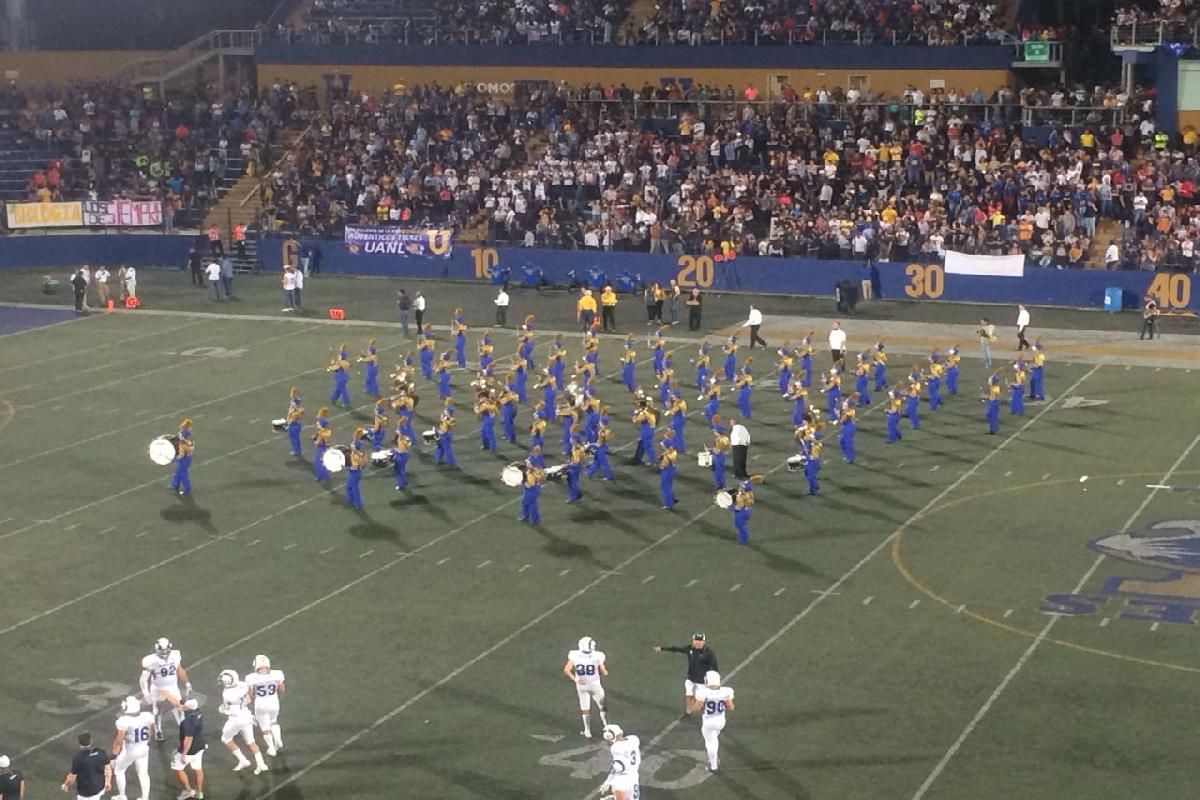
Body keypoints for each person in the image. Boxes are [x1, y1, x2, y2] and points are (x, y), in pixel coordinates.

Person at [652, 632, 718, 715]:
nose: (698, 642)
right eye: (696, 640)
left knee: (701, 699)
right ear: (693, 641)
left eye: (700, 641)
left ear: (704, 642)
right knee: (689, 695)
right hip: (690, 678)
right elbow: (677, 649)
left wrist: (714, 681)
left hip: (702, 681)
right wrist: (662, 648)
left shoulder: (708, 653)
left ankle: (706, 712)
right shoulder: (689, 649)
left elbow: (714, 667)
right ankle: (688, 711)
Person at [216, 669, 268, 774]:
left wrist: (222, 710)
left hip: (236, 719)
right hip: (247, 715)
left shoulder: (227, 693)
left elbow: (227, 709)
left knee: (225, 739)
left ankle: (243, 760)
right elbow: (249, 698)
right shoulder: (243, 685)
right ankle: (261, 764)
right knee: (251, 742)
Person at [140, 637, 190, 739]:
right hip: (158, 688)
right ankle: (158, 729)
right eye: (162, 650)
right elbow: (143, 679)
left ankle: (183, 728)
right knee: (158, 710)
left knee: (179, 707)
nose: (164, 652)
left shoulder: (175, 655)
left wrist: (187, 683)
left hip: (172, 686)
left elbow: (180, 669)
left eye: (166, 650)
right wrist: (145, 693)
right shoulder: (151, 660)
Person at [563, 636, 609, 739]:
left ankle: (587, 730)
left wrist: (576, 679)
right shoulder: (598, 656)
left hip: (581, 686)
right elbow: (604, 672)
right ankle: (607, 727)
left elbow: (566, 670)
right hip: (595, 684)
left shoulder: (574, 655)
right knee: (602, 707)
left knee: (585, 708)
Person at [111, 696, 153, 800]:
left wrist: (113, 756)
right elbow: (150, 733)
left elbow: (118, 741)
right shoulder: (147, 716)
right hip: (144, 749)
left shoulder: (124, 721)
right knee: (143, 774)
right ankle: (145, 797)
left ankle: (122, 796)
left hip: (130, 750)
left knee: (119, 770)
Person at [244, 654, 286, 757]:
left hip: (261, 703)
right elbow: (282, 689)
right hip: (274, 702)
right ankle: (278, 740)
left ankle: (271, 748)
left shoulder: (251, 678)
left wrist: (250, 701)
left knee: (265, 728)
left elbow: (251, 693)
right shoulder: (277, 674)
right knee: (274, 721)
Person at [693, 670, 735, 772]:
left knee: (710, 742)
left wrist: (699, 701)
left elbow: (697, 708)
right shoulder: (727, 691)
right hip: (721, 721)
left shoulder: (702, 692)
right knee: (713, 739)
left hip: (709, 722)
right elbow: (731, 707)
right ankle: (714, 760)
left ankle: (714, 766)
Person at [172, 698, 205, 800]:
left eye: (185, 706)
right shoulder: (199, 714)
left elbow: (188, 739)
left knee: (177, 768)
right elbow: (180, 706)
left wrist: (183, 754)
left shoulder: (188, 722)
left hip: (189, 750)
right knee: (197, 768)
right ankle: (199, 792)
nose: (183, 707)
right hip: (200, 746)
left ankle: (188, 790)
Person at [62, 733, 111, 800]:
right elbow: (108, 769)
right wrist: (108, 782)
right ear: (91, 740)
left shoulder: (78, 758)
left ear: (79, 743)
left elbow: (72, 778)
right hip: (100, 787)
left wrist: (66, 785)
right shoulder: (101, 752)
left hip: (86, 792)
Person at [599, 725, 640, 800]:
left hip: (623, 779)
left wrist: (608, 781)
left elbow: (618, 768)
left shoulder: (616, 748)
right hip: (634, 776)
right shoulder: (633, 739)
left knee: (620, 796)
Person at [169, 419, 195, 496]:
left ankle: (187, 489)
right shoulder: (187, 435)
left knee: (183, 474)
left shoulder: (185, 442)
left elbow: (182, 454)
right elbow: (179, 435)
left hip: (185, 459)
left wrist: (175, 459)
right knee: (178, 471)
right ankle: (174, 484)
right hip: (185, 457)